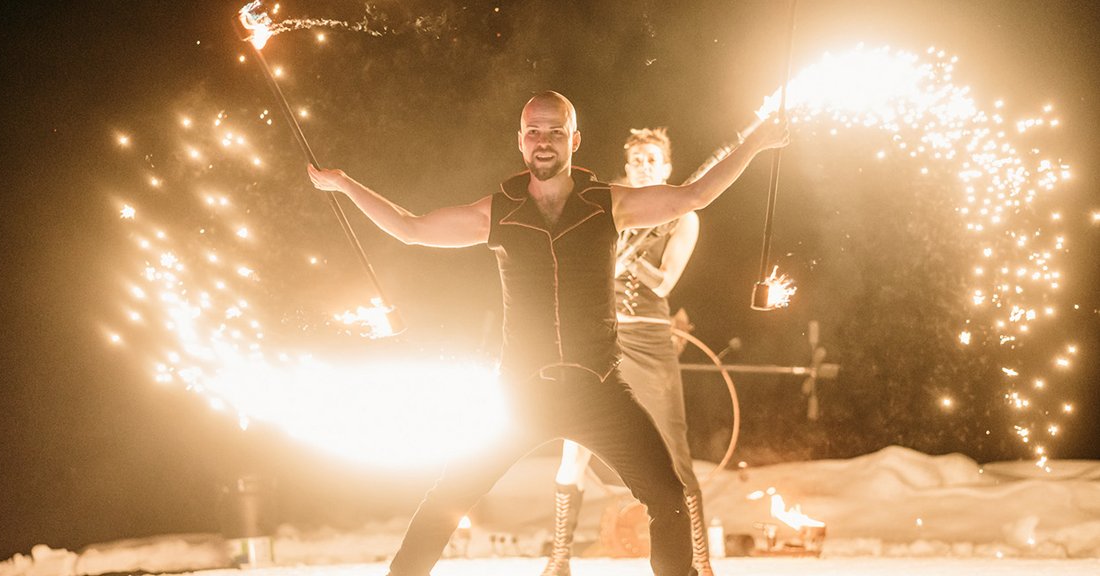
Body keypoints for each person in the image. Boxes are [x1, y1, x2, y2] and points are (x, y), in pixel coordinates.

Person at [307, 91, 787, 576]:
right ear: (520, 142)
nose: (543, 141)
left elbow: (693, 197)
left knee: (668, 496)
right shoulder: (500, 211)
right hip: (521, 393)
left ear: (574, 140)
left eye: (555, 131)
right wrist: (345, 185)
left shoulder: (608, 205)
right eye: (534, 131)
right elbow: (411, 229)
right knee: (446, 498)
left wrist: (757, 142)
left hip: (599, 389)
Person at [541, 126, 716, 576]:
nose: (643, 167)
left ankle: (701, 561)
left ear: (667, 168)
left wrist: (630, 258)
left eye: (652, 160)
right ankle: (559, 559)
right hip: (600, 337)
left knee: (674, 449)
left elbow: (666, 281)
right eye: (637, 159)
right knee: (573, 446)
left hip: (652, 339)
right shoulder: (606, 206)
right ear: (627, 164)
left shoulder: (683, 217)